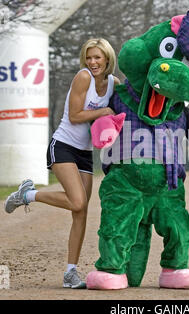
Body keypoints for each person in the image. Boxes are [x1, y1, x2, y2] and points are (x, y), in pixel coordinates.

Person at [4, 38, 120, 289]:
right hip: (64, 145)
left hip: (85, 152)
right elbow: (76, 116)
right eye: (89, 57)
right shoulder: (83, 77)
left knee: (81, 211)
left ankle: (70, 273)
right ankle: (28, 195)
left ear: (108, 59)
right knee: (77, 200)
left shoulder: (113, 84)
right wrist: (102, 112)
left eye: (97, 57)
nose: (92, 62)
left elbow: (121, 111)